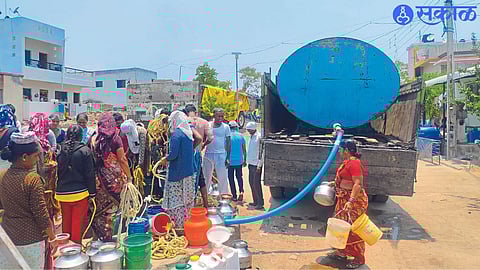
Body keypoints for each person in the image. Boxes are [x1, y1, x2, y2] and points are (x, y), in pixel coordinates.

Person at [0, 132, 57, 269]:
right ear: (25, 157)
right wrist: (52, 237)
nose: (37, 160)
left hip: (8, 238)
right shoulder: (32, 179)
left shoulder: (3, 175)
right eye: (36, 156)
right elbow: (41, 214)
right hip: (31, 240)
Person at [89, 112, 132, 241]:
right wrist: (129, 177)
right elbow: (122, 159)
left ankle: (100, 238)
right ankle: (112, 239)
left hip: (98, 181)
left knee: (99, 212)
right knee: (114, 210)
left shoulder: (92, 139)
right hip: (115, 182)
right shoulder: (115, 139)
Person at [326, 139, 368, 269]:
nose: (338, 151)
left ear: (347, 150)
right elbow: (346, 178)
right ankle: (342, 252)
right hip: (343, 199)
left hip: (353, 201)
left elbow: (357, 184)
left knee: (353, 229)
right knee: (341, 227)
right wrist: (336, 183)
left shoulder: (355, 163)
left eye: (340, 149)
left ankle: (358, 258)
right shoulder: (347, 162)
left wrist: (351, 201)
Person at [160, 111, 202, 231]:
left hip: (177, 173)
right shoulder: (188, 134)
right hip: (188, 172)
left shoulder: (176, 135)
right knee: (186, 200)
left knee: (176, 201)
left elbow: (173, 155)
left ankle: (178, 227)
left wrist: (165, 159)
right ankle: (187, 224)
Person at [56, 125, 96, 244]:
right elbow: (90, 174)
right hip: (79, 193)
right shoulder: (85, 151)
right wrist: (92, 193)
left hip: (62, 193)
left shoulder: (60, 149)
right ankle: (76, 252)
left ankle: (65, 249)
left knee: (66, 223)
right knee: (77, 225)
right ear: (81, 136)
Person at [183, 104, 213, 208]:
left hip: (188, 155)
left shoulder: (185, 121)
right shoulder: (204, 122)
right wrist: (203, 145)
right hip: (198, 153)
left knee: (192, 181)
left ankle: (193, 206)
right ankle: (206, 206)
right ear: (195, 112)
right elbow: (210, 137)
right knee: (201, 180)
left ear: (186, 112)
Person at [203, 108, 231, 194]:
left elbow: (228, 143)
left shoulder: (226, 127)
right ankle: (205, 196)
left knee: (222, 176)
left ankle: (224, 196)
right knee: (206, 176)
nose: (220, 118)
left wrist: (228, 157)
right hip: (209, 154)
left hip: (221, 154)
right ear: (214, 115)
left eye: (222, 116)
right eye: (218, 116)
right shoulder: (208, 125)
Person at [246, 122, 264, 210]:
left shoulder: (259, 137)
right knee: (251, 182)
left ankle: (260, 203)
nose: (248, 131)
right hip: (251, 163)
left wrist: (259, 165)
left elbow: (262, 152)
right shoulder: (251, 136)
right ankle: (255, 201)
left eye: (249, 130)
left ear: (253, 129)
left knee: (256, 183)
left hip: (256, 164)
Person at [227, 121, 246, 202]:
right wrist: (245, 160)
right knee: (239, 177)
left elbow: (227, 149)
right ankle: (241, 191)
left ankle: (234, 196)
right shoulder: (241, 136)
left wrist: (226, 159)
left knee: (231, 178)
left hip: (230, 161)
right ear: (236, 127)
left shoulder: (228, 137)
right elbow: (244, 150)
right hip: (239, 161)